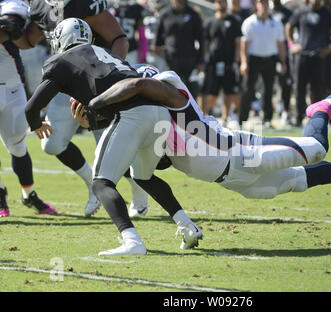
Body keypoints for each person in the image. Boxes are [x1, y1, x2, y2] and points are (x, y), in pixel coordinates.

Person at [83, 68, 331, 207]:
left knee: (318, 149)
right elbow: (160, 165)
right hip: (231, 180)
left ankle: (321, 111)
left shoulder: (172, 94)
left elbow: (141, 87)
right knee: (295, 181)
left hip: (241, 151)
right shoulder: (151, 121)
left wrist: (100, 104)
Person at [25, 18, 202, 255]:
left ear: (61, 39)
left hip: (133, 114)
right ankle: (188, 227)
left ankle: (132, 241)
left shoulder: (60, 61)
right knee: (143, 176)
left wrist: (36, 124)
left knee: (101, 183)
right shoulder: (107, 54)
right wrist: (90, 122)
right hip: (158, 111)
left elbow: (31, 107)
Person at [13, 0, 146, 216]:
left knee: (110, 147)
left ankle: (139, 191)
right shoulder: (38, 4)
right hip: (64, 84)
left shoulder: (85, 1)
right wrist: (9, 30)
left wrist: (112, 76)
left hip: (96, 85)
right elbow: (28, 40)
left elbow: (118, 38)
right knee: (52, 144)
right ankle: (91, 184)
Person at [0, 0, 57, 217]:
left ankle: (29, 194)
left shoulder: (12, 3)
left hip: (12, 88)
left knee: (18, 147)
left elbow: (11, 30)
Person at [285, 0, 331, 127]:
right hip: (302, 55)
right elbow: (288, 27)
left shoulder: (327, 13)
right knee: (299, 87)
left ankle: (318, 118)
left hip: (319, 56)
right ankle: (298, 117)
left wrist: (330, 46)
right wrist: (292, 44)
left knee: (318, 89)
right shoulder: (301, 11)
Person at [239, 0, 287, 128]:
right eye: (261, 3)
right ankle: (242, 119)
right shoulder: (250, 22)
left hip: (270, 59)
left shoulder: (276, 23)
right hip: (254, 59)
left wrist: (283, 62)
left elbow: (281, 44)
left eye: (266, 3)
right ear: (257, 4)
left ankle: (267, 118)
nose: (264, 5)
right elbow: (244, 45)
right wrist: (244, 62)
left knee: (268, 89)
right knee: (248, 88)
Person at [201, 0, 241, 125]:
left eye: (223, 2)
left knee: (229, 91)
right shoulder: (210, 22)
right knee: (211, 91)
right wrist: (205, 59)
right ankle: (208, 115)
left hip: (229, 62)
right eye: (218, 2)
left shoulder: (233, 21)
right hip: (213, 62)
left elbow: (237, 42)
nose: (221, 4)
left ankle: (225, 117)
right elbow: (206, 43)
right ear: (215, 4)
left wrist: (236, 60)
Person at [153, 0, 204, 97]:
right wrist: (166, 56)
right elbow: (156, 44)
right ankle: (177, 114)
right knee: (172, 92)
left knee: (190, 92)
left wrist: (200, 61)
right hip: (171, 62)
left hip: (190, 61)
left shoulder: (194, 15)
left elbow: (201, 40)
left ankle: (189, 114)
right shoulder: (164, 15)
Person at [272, 0, 293, 126]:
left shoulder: (288, 13)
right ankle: (267, 112)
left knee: (285, 82)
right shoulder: (267, 12)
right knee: (267, 85)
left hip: (282, 52)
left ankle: (285, 110)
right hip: (268, 52)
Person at [110, 0, 146, 66]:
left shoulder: (136, 9)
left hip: (131, 49)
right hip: (114, 48)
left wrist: (143, 51)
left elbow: (141, 33)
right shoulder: (111, 10)